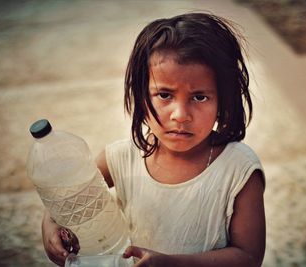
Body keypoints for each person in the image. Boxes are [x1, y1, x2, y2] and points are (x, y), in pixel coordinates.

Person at [42, 12, 265, 267]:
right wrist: (50, 226)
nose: (180, 115)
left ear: (223, 99)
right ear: (140, 95)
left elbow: (248, 257)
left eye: (200, 97)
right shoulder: (121, 158)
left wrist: (174, 264)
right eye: (165, 95)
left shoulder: (238, 169)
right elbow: (68, 198)